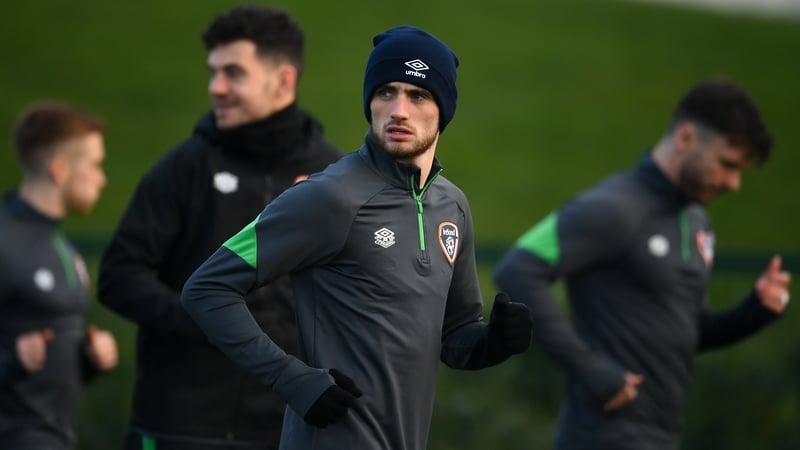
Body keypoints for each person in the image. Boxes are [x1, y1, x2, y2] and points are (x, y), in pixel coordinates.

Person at [180, 25, 533, 450]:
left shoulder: (452, 207)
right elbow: (206, 288)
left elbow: (455, 336)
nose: (399, 110)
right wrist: (290, 378)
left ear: (445, 109)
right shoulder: (328, 197)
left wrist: (493, 342)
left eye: (417, 95)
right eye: (386, 93)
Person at [494, 78, 792, 450]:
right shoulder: (612, 208)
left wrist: (756, 311)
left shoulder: (697, 222)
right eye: (726, 164)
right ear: (685, 138)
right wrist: (593, 371)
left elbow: (684, 331)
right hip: (603, 437)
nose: (734, 183)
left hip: (662, 438)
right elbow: (516, 270)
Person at [97, 5, 341, 450]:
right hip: (180, 425)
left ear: (283, 80)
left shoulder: (332, 175)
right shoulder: (184, 167)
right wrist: (212, 325)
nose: (216, 88)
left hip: (287, 426)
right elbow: (118, 276)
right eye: (213, 72)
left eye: (233, 73)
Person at [0, 101, 119, 450]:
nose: (102, 178)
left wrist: (88, 360)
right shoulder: (5, 243)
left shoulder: (62, 248)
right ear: (59, 168)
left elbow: (45, 368)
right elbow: (19, 363)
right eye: (95, 165)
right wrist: (12, 363)